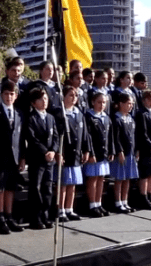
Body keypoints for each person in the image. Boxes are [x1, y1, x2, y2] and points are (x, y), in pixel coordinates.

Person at [0, 81, 25, 235]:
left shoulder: (19, 113)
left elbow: (21, 138)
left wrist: (22, 157)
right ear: (1, 94)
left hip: (14, 158)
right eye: (6, 94)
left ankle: (9, 216)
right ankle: (0, 217)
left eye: (12, 94)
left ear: (16, 96)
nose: (9, 97)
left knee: (10, 188)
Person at [23, 88, 59, 230]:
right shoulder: (31, 118)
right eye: (41, 99)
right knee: (36, 188)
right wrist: (45, 151)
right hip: (37, 158)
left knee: (47, 188)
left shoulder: (50, 117)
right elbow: (32, 138)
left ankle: (46, 215)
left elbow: (55, 136)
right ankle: (35, 218)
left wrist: (53, 151)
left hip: (49, 159)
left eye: (46, 99)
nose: (44, 102)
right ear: (33, 103)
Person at [57, 86, 90, 222]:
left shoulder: (79, 113)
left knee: (73, 183)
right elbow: (57, 135)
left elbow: (85, 134)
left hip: (76, 153)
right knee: (63, 183)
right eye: (70, 95)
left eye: (75, 96)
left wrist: (86, 149)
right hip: (65, 153)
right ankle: (60, 210)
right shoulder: (60, 113)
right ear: (63, 97)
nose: (73, 98)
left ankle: (70, 208)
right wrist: (59, 153)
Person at [84, 92, 113, 217]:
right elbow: (87, 137)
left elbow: (110, 136)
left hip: (104, 153)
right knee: (93, 179)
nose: (102, 105)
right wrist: (90, 153)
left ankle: (98, 203)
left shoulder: (106, 117)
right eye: (99, 102)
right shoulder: (89, 117)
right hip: (94, 154)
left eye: (104, 102)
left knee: (101, 178)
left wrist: (111, 151)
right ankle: (92, 204)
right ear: (93, 102)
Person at [110, 93, 140, 212]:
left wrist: (136, 149)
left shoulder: (130, 119)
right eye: (128, 103)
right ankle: (117, 202)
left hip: (130, 152)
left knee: (127, 178)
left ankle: (124, 201)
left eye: (132, 104)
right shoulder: (117, 119)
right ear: (121, 104)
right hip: (122, 153)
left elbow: (134, 136)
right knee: (119, 179)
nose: (131, 106)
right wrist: (119, 151)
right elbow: (116, 138)